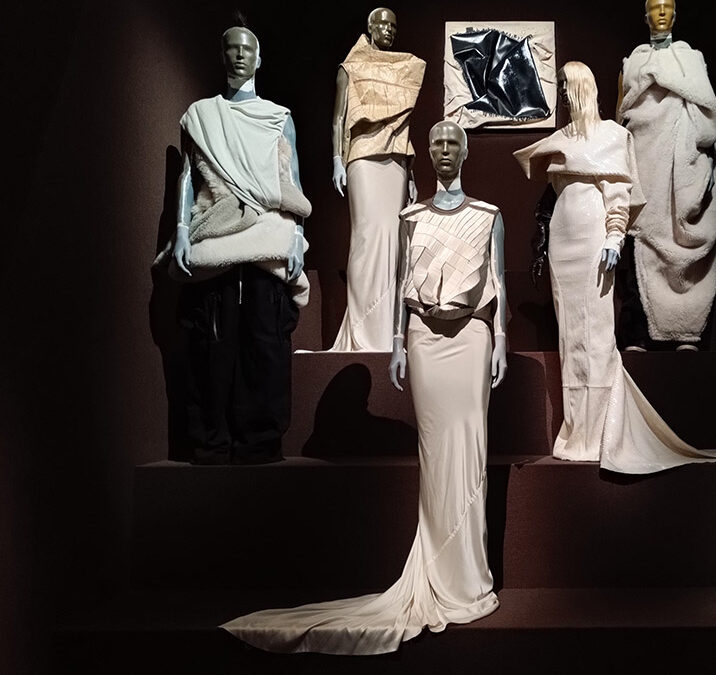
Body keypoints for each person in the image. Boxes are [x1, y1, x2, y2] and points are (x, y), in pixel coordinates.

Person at [222, 120, 506, 655]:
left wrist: (502, 341)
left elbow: (500, 282)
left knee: (472, 450)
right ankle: (441, 569)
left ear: (466, 151)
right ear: (428, 152)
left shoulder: (489, 215)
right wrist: (397, 342)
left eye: (454, 142)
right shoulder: (410, 218)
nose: (445, 149)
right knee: (435, 454)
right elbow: (401, 283)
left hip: (472, 338)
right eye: (437, 143)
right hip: (424, 339)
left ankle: (469, 573)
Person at [514, 62, 716, 473]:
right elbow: (556, 189)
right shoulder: (561, 139)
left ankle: (599, 431)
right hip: (564, 238)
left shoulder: (613, 136)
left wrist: (614, 237)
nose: (563, 93)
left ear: (583, 86)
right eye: (559, 86)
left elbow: (618, 192)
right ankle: (575, 430)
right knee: (569, 336)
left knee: (596, 334)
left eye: (566, 85)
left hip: (594, 238)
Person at [154, 25, 310, 465]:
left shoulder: (278, 117)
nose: (239, 55)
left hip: (267, 239)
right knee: (211, 347)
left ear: (259, 59)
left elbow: (291, 183)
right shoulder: (201, 116)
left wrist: (297, 237)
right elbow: (188, 175)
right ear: (222, 56)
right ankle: (210, 441)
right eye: (231, 48)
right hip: (215, 238)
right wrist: (181, 228)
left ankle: (260, 442)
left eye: (247, 49)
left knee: (265, 345)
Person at [616, 0, 716, 350]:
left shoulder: (691, 58)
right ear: (645, 15)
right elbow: (622, 112)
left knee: (683, 234)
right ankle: (637, 332)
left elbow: (708, 110)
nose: (661, 13)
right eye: (655, 8)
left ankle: (686, 329)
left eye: (667, 8)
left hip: (684, 156)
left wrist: (694, 146)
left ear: (675, 15)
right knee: (641, 238)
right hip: (645, 155)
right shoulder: (633, 61)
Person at [330, 7, 426, 352]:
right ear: (369, 27)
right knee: (367, 237)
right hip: (362, 156)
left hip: (395, 160)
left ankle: (386, 331)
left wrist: (410, 171)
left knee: (392, 241)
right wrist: (337, 159)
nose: (389, 30)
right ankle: (363, 329)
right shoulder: (351, 67)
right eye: (383, 24)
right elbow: (339, 118)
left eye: (393, 26)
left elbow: (403, 126)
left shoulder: (402, 68)